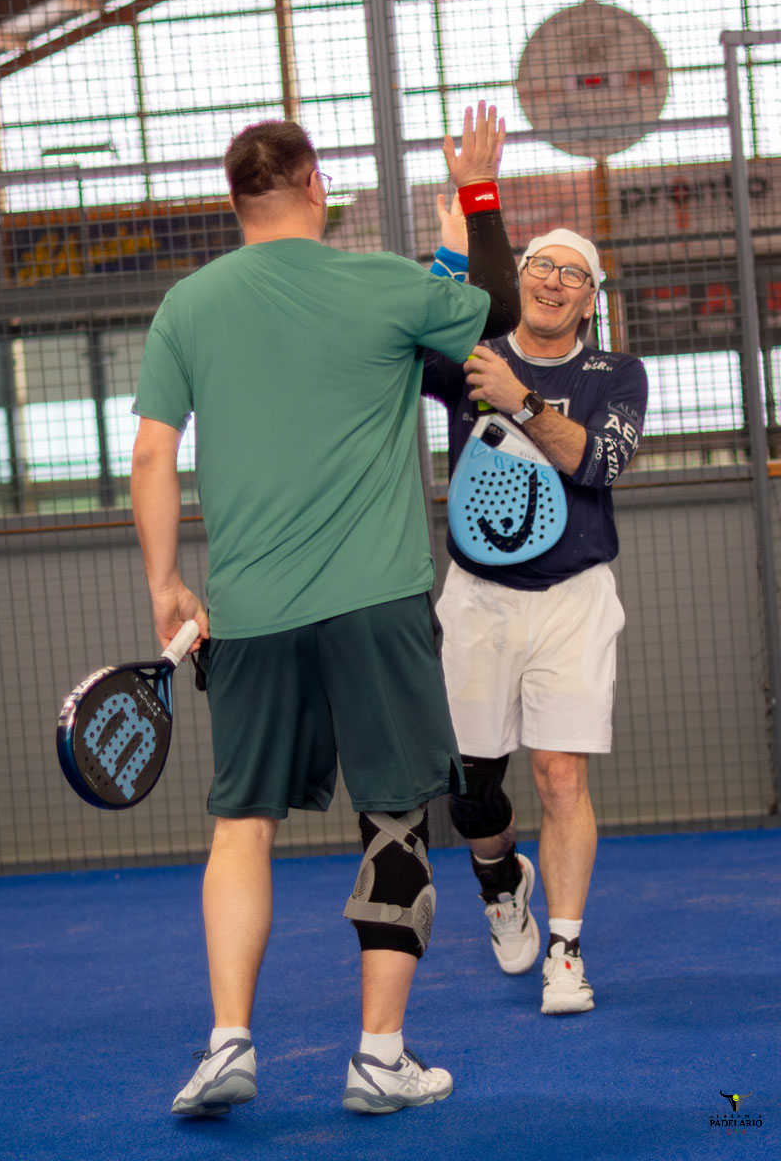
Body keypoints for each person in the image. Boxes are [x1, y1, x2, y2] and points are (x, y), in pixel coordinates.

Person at [129, 102, 520, 1118]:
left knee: (238, 827)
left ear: (233, 201)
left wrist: (166, 582)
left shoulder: (187, 306)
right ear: (314, 185)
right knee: (393, 816)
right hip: (374, 604)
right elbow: (499, 308)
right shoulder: (381, 283)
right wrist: (476, 195)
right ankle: (377, 1058)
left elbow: (151, 454)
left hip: (249, 614)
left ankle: (225, 1045)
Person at [423, 203, 648, 1015]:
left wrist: (520, 403)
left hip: (576, 600)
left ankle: (566, 949)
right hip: (478, 601)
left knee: (560, 774)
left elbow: (600, 462)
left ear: (590, 299)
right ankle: (498, 878)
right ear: (517, 284)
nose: (554, 282)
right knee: (471, 790)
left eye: (573, 274)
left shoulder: (616, 374)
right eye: (540, 268)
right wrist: (460, 232)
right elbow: (412, 341)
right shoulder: (470, 358)